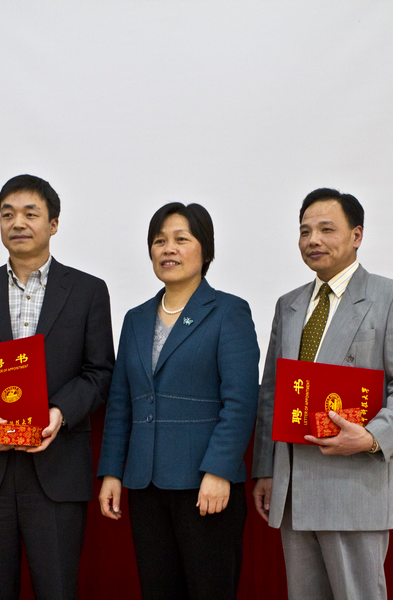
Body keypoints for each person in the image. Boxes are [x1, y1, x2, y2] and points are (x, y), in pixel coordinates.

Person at [0, 174, 115, 600]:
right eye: (7, 214)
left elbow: (99, 372)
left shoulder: (88, 291)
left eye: (30, 214)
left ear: (53, 224)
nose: (17, 222)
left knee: (58, 590)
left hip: (56, 468)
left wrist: (60, 413)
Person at [252, 188, 393, 600]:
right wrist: (266, 469)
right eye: (305, 231)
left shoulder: (392, 297)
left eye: (326, 229)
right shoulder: (288, 305)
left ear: (357, 235)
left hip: (354, 485)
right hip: (293, 489)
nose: (313, 240)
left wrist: (371, 438)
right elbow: (272, 394)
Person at [97, 202, 260, 600]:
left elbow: (240, 402)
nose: (168, 249)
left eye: (180, 239)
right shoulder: (136, 318)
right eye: (159, 241)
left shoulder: (228, 311)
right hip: (146, 485)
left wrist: (219, 471)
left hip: (205, 485)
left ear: (206, 249)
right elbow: (121, 403)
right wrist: (112, 472)